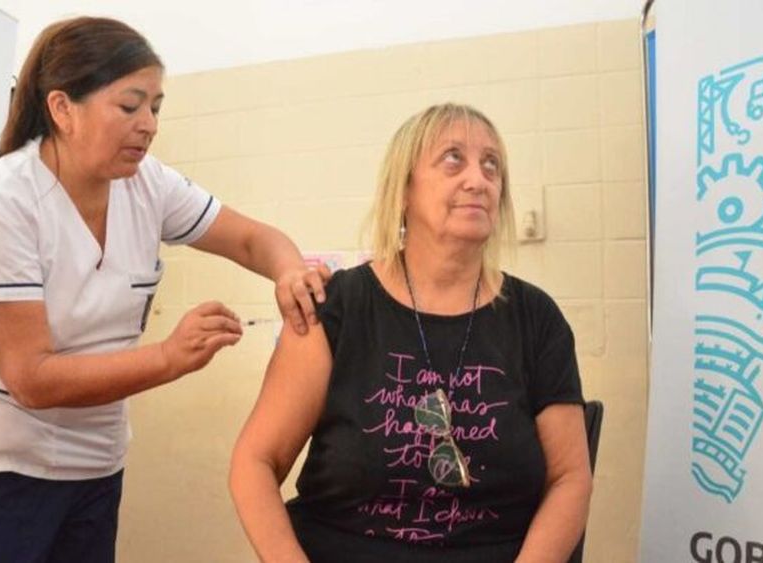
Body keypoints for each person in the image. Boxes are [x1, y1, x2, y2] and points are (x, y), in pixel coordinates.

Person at [0, 16, 327, 563]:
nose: (149, 125)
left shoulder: (148, 185)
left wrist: (289, 272)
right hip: (0, 460)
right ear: (63, 109)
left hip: (95, 462)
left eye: (156, 107)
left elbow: (254, 240)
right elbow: (32, 378)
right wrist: (168, 356)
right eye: (130, 105)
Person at [230, 103, 592, 562]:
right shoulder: (336, 306)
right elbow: (254, 463)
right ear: (403, 190)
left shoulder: (536, 318)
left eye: (491, 165)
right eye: (453, 159)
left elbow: (570, 478)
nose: (478, 180)